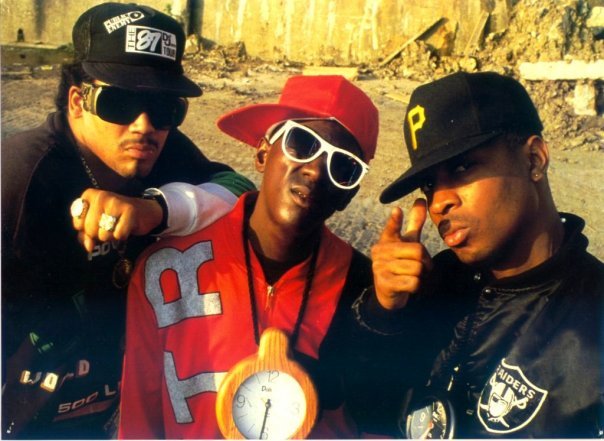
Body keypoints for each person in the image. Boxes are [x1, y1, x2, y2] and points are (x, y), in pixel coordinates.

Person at [1, 3, 253, 439]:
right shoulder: (19, 177)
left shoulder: (160, 148)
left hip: (110, 398)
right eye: (120, 102)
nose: (143, 125)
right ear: (78, 102)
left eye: (165, 108)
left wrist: (155, 209)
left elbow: (240, 190)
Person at [117, 74, 383, 438]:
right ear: (262, 153)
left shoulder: (366, 289)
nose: (316, 170)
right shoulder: (165, 270)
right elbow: (139, 421)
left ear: (347, 195)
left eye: (343, 167)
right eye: (302, 143)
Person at [355, 71, 604, 437]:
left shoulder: (593, 319)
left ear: (534, 160)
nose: (438, 202)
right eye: (429, 184)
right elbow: (363, 409)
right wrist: (383, 313)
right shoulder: (433, 284)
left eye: (462, 167)